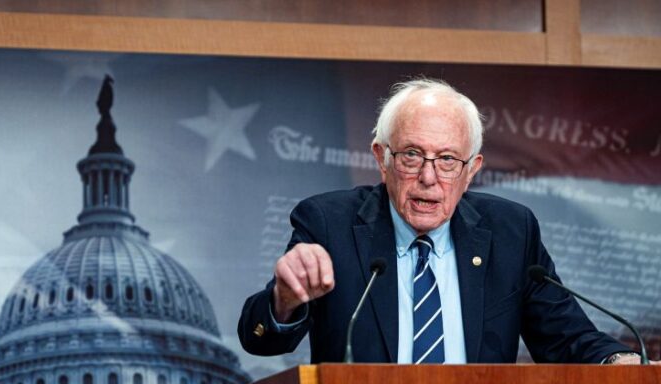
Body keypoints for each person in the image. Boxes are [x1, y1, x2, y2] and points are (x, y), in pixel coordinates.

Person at [239, 78, 640, 365]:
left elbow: (567, 337)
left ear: (472, 170)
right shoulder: (328, 223)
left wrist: (622, 361)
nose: (429, 178)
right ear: (382, 158)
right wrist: (284, 300)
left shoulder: (510, 232)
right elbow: (259, 340)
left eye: (448, 160)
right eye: (412, 155)